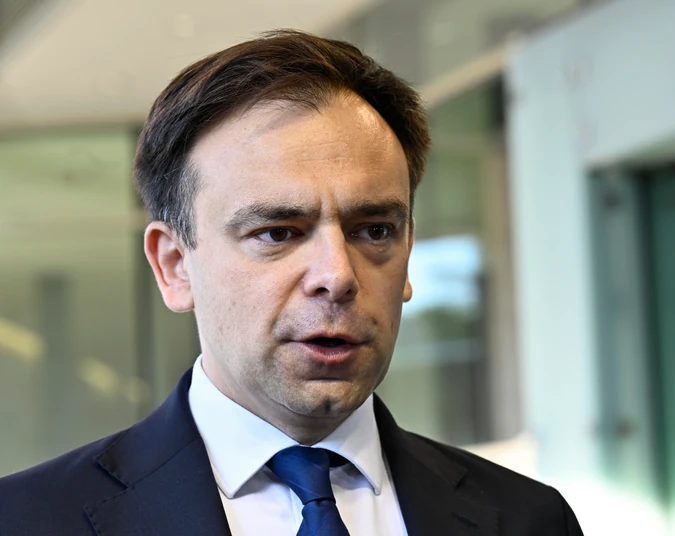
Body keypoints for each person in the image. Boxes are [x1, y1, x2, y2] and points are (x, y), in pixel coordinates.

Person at [0, 30, 584, 536]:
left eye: (374, 230)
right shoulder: (25, 520)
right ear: (175, 266)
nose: (338, 275)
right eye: (277, 233)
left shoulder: (528, 518)